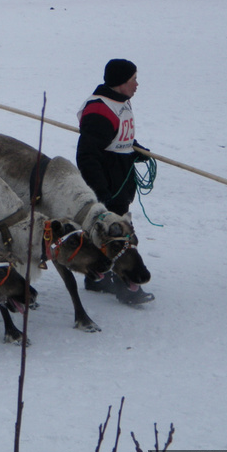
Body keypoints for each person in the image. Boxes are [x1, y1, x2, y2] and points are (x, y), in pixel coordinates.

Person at [76, 58, 154, 305]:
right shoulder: (101, 110)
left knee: (107, 234)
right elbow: (87, 156)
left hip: (120, 183)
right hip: (108, 186)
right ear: (121, 82)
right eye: (133, 80)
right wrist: (101, 191)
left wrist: (135, 150)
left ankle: (97, 276)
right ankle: (127, 285)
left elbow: (118, 138)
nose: (137, 84)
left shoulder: (120, 102)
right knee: (118, 237)